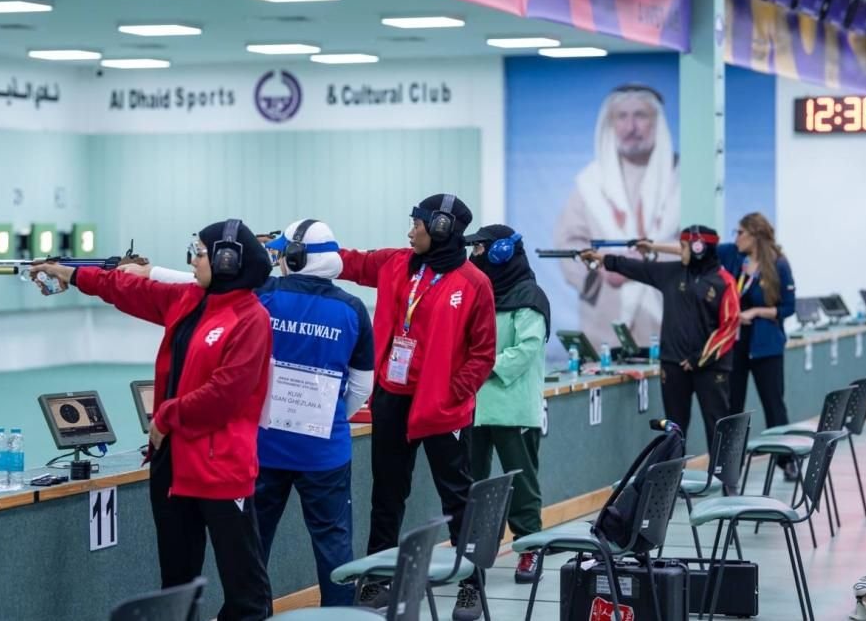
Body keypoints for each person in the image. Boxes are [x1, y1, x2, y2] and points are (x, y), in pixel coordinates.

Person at [32, 220, 274, 620]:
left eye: (199, 253)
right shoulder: (190, 299)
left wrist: (165, 417)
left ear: (227, 261)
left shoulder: (251, 318)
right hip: (173, 464)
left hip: (220, 468)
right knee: (176, 582)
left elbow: (225, 395)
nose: (192, 261)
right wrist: (71, 274)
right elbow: (126, 288)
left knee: (244, 587)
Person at [125, 219, 376, 606]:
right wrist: (326, 419)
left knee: (250, 554)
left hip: (266, 448)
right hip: (324, 451)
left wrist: (150, 272)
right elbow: (361, 387)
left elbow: (199, 285)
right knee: (334, 544)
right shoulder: (353, 310)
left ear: (296, 257)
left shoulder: (262, 297)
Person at [337, 193, 497, 621]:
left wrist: (452, 392)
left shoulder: (474, 283)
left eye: (418, 226)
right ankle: (378, 578)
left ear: (441, 229)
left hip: (443, 409)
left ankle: (471, 583)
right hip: (392, 399)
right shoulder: (397, 263)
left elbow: (483, 353)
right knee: (386, 496)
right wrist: (308, 250)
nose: (410, 233)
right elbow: (353, 262)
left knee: (457, 499)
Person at [581, 226, 739, 456]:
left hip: (711, 367)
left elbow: (729, 327)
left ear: (699, 248)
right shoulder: (673, 273)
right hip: (673, 364)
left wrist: (698, 358)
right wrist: (604, 259)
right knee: (673, 429)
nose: (679, 251)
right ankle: (672, 476)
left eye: (683, 247)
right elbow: (638, 268)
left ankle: (725, 476)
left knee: (718, 426)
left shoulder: (724, 282)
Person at [554, 84, 680, 348]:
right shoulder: (591, 183)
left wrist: (647, 262)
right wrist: (601, 267)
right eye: (622, 117)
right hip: (605, 326)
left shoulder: (683, 178)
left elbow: (698, 247)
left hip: (669, 322)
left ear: (657, 122)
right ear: (610, 124)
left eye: (640, 115)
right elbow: (568, 243)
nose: (630, 127)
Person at [464, 224, 550, 584]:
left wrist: (480, 365)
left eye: (479, 249)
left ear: (500, 252)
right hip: (474, 407)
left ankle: (530, 548)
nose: (473, 256)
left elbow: (526, 350)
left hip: (513, 407)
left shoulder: (529, 295)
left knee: (521, 485)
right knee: (471, 483)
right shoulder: (477, 292)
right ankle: (473, 550)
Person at [718, 213, 797, 481]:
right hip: (737, 345)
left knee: (774, 405)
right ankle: (730, 466)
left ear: (755, 235)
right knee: (733, 407)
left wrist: (756, 312)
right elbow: (698, 249)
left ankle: (787, 461)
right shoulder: (734, 256)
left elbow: (788, 307)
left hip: (766, 346)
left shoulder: (778, 265)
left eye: (740, 232)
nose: (736, 238)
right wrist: (652, 246)